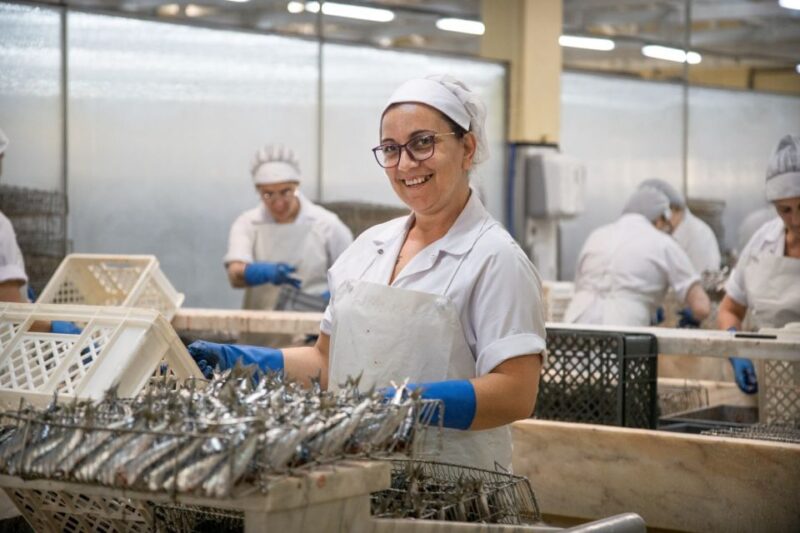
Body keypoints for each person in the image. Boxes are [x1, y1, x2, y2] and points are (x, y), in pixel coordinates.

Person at [190, 75, 547, 470]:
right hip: (356, 476)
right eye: (391, 149)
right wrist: (243, 362)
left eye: (423, 142)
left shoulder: (496, 258)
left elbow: (516, 392)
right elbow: (326, 363)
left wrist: (408, 406)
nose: (406, 163)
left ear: (467, 148)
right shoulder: (366, 248)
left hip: (452, 486)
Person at [224, 144, 353, 312]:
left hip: (315, 326)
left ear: (296, 186)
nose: (278, 203)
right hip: (259, 327)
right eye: (268, 194)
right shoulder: (247, 223)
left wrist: (333, 298)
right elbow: (234, 276)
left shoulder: (327, 225)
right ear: (258, 191)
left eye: (285, 192)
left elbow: (353, 277)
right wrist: (259, 272)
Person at [718, 134, 800, 394]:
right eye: (785, 210)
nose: (796, 219)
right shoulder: (761, 243)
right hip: (770, 387)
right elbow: (729, 309)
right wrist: (736, 350)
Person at [564, 186, 710, 327]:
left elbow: (578, 286)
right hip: (622, 331)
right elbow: (701, 307)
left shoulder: (596, 236)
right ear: (659, 219)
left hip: (574, 329)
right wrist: (691, 317)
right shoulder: (664, 244)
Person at [639, 178, 721, 273]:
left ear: (669, 211)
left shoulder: (699, 236)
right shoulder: (664, 233)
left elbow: (703, 283)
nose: (656, 224)